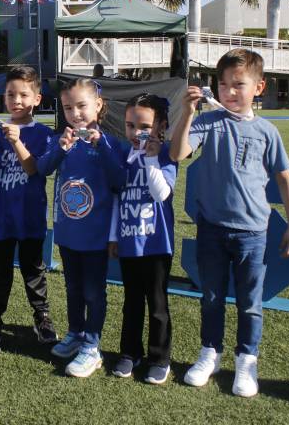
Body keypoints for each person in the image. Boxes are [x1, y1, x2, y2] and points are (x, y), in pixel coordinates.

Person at [170, 48, 289, 398]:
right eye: (223, 84)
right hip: (211, 228)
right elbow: (177, 153)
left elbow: (285, 178)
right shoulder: (207, 122)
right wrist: (186, 112)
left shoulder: (268, 131)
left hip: (253, 233)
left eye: (238, 84)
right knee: (211, 297)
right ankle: (209, 353)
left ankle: (246, 360)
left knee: (249, 302)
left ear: (259, 87)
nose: (229, 91)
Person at [37, 78, 124, 378]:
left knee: (92, 292)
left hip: (97, 235)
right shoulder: (61, 139)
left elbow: (119, 182)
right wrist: (60, 149)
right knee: (73, 288)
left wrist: (102, 148)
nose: (75, 113)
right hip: (67, 232)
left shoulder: (111, 143)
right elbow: (43, 168)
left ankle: (92, 345)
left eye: (82, 106)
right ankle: (75, 332)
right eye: (68, 107)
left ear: (98, 106)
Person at [0, 66, 57, 356]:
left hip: (30, 215)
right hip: (2, 216)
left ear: (37, 98)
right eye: (11, 94)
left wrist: (17, 141)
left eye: (24, 94)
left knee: (33, 270)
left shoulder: (45, 135)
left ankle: (42, 319)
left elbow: (34, 169)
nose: (16, 100)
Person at [109, 93, 177, 384]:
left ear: (161, 125)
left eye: (144, 126)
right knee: (131, 301)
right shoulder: (123, 154)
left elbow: (162, 194)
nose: (136, 133)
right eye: (130, 125)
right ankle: (129, 352)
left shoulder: (167, 154)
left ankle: (159, 358)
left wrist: (150, 159)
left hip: (157, 243)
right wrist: (114, 236)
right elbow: (117, 198)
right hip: (128, 241)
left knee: (158, 304)